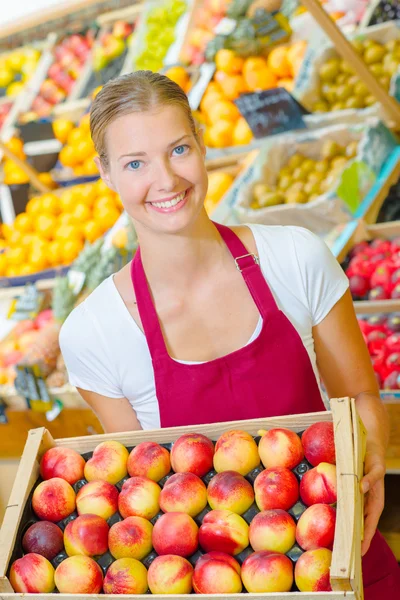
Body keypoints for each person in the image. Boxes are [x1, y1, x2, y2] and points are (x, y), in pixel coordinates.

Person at [60, 70, 400, 595]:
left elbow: (358, 394)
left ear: (201, 141)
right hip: (208, 580)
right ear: (106, 174)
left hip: (339, 557)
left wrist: (372, 454)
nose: (166, 180)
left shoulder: (295, 257)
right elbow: (141, 488)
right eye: (135, 163)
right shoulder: (96, 333)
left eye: (177, 149)